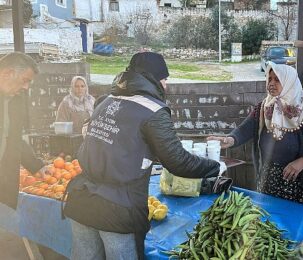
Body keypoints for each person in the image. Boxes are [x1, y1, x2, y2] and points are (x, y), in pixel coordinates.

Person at [63, 52, 226, 260]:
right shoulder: (153, 110)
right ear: (153, 79)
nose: (166, 86)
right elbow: (178, 162)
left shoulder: (106, 101)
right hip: (117, 210)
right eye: (164, 79)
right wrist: (215, 167)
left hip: (81, 201)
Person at [208, 63, 303, 208]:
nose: (272, 83)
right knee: (271, 222)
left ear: (289, 81)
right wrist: (229, 139)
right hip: (271, 180)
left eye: (277, 79)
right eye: (269, 79)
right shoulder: (265, 106)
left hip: (302, 183)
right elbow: (245, 129)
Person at [0, 52, 47, 209]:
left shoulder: (15, 99)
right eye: (25, 81)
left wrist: (35, 164)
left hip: (4, 186)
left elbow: (13, 138)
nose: (26, 87)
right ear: (7, 73)